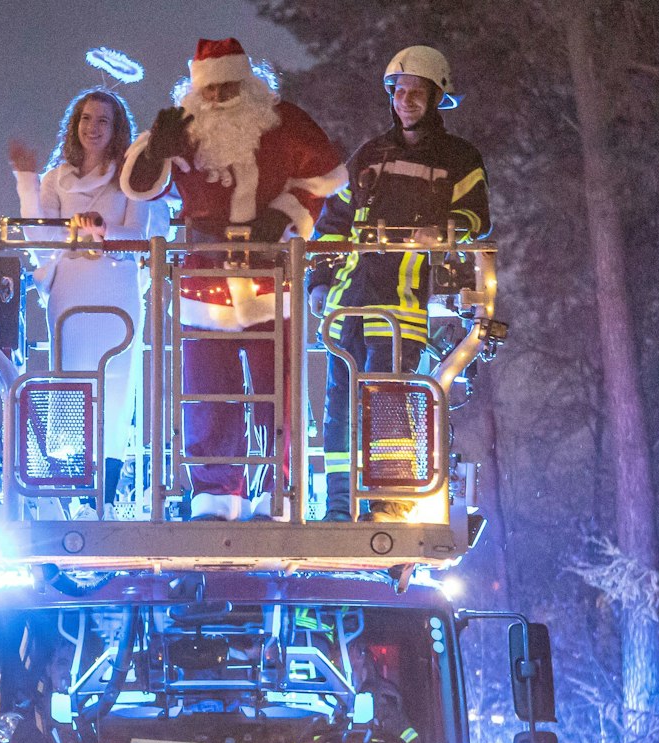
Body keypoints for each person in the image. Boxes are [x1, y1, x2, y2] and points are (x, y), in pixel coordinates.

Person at [122, 37, 344, 521]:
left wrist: (285, 215)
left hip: (269, 270)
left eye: (229, 87)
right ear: (198, 90)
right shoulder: (179, 125)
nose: (220, 98)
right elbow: (140, 186)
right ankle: (216, 490)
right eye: (212, 90)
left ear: (247, 82)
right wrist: (156, 149)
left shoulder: (283, 121)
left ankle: (275, 490)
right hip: (204, 271)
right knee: (206, 388)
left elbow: (328, 176)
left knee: (276, 389)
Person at [307, 46, 492, 520]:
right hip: (350, 299)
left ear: (436, 97)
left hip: (403, 300)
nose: (405, 101)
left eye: (416, 93)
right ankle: (339, 506)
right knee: (340, 409)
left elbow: (476, 216)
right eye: (399, 92)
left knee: (387, 401)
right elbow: (332, 221)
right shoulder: (369, 155)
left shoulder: (459, 158)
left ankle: (385, 504)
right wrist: (319, 281)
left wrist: (444, 228)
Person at [10, 87, 165, 512]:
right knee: (71, 385)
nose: (92, 128)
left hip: (116, 289)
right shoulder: (57, 178)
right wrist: (26, 180)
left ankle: (107, 497)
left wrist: (101, 231)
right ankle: (73, 492)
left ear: (116, 130)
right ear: (74, 125)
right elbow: (40, 240)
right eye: (86, 119)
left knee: (115, 388)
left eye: (102, 121)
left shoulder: (132, 178)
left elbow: (141, 237)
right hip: (70, 290)